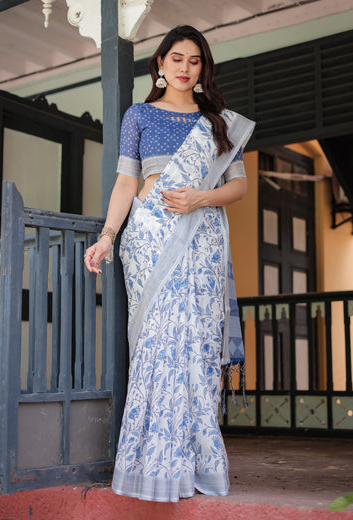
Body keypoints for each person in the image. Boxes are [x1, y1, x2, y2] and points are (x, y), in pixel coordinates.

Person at [84, 25, 255, 502]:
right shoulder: (138, 115)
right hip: (149, 238)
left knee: (195, 344)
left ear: (203, 68)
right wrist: (107, 236)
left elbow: (238, 187)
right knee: (159, 342)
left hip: (201, 238)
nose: (184, 68)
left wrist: (202, 197)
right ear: (159, 63)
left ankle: (196, 462)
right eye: (175, 58)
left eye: (194, 60)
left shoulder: (218, 120)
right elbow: (125, 183)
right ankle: (152, 463)